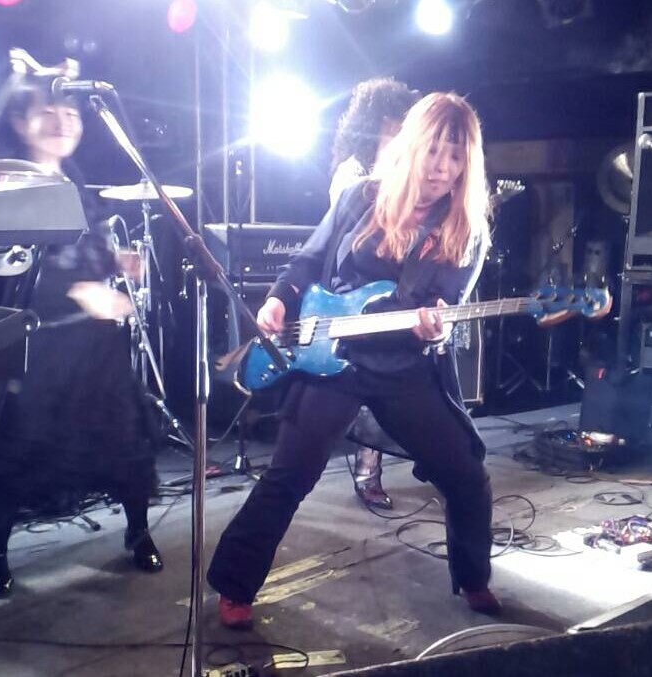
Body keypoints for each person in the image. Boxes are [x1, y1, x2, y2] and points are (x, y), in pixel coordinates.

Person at [208, 92, 499, 628]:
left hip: (404, 367)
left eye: (456, 156)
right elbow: (308, 260)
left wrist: (435, 327)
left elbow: (449, 305)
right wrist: (278, 298)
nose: (442, 166)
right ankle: (234, 585)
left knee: (466, 472)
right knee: (290, 474)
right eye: (434, 150)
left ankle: (474, 576)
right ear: (412, 144)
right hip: (332, 359)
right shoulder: (360, 197)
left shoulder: (466, 229)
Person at [0, 72, 163, 599]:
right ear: (20, 120)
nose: (62, 122)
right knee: (18, 449)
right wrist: (76, 293)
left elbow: (82, 247)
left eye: (71, 113)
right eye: (48, 112)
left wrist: (116, 261)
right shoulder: (6, 181)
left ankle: (138, 531)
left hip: (95, 348)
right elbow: (10, 271)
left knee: (126, 439)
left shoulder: (75, 182)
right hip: (37, 346)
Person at [330, 76, 420, 510]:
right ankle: (368, 475)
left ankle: (429, 460)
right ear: (372, 122)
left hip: (392, 289)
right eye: (391, 121)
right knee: (362, 386)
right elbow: (352, 230)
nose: (398, 130)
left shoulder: (406, 170)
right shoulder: (352, 172)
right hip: (354, 292)